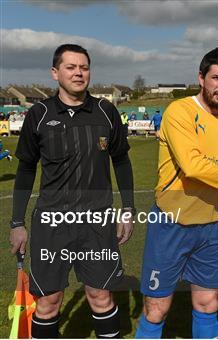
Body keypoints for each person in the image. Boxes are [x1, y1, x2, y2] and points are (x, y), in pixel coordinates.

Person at [135, 47, 218, 339]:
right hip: (172, 223)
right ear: (201, 78)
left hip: (211, 228)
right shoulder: (180, 112)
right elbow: (193, 166)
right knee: (157, 307)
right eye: (216, 77)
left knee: (208, 305)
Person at [9, 44, 135, 338]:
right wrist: (17, 223)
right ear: (55, 73)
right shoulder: (39, 114)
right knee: (49, 303)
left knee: (100, 297)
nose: (79, 73)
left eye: (84, 67)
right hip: (52, 225)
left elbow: (121, 161)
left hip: (97, 223)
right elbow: (26, 169)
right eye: (71, 67)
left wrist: (128, 210)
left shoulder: (106, 111)